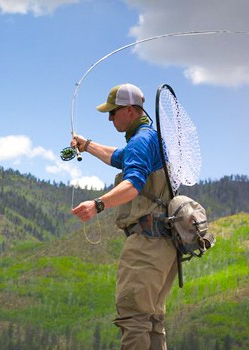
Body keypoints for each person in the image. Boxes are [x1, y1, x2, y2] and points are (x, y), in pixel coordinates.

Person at [70, 83, 178, 350]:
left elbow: (132, 185)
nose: (110, 118)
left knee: (133, 319)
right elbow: (118, 157)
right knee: (151, 320)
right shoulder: (149, 138)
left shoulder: (141, 141)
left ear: (129, 110)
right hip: (165, 245)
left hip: (146, 244)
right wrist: (87, 145)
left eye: (113, 112)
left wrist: (97, 204)